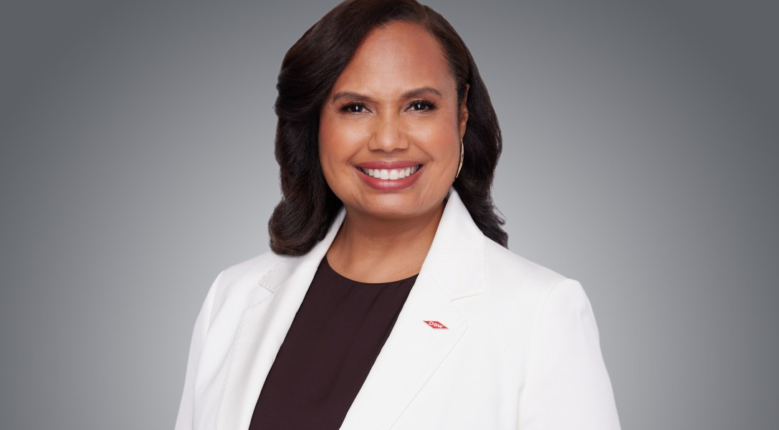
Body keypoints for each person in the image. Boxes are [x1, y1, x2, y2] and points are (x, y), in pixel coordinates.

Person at [174, 0, 621, 429]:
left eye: (419, 105)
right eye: (355, 107)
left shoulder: (540, 314)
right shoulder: (232, 297)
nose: (388, 140)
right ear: (315, 124)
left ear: (462, 116)